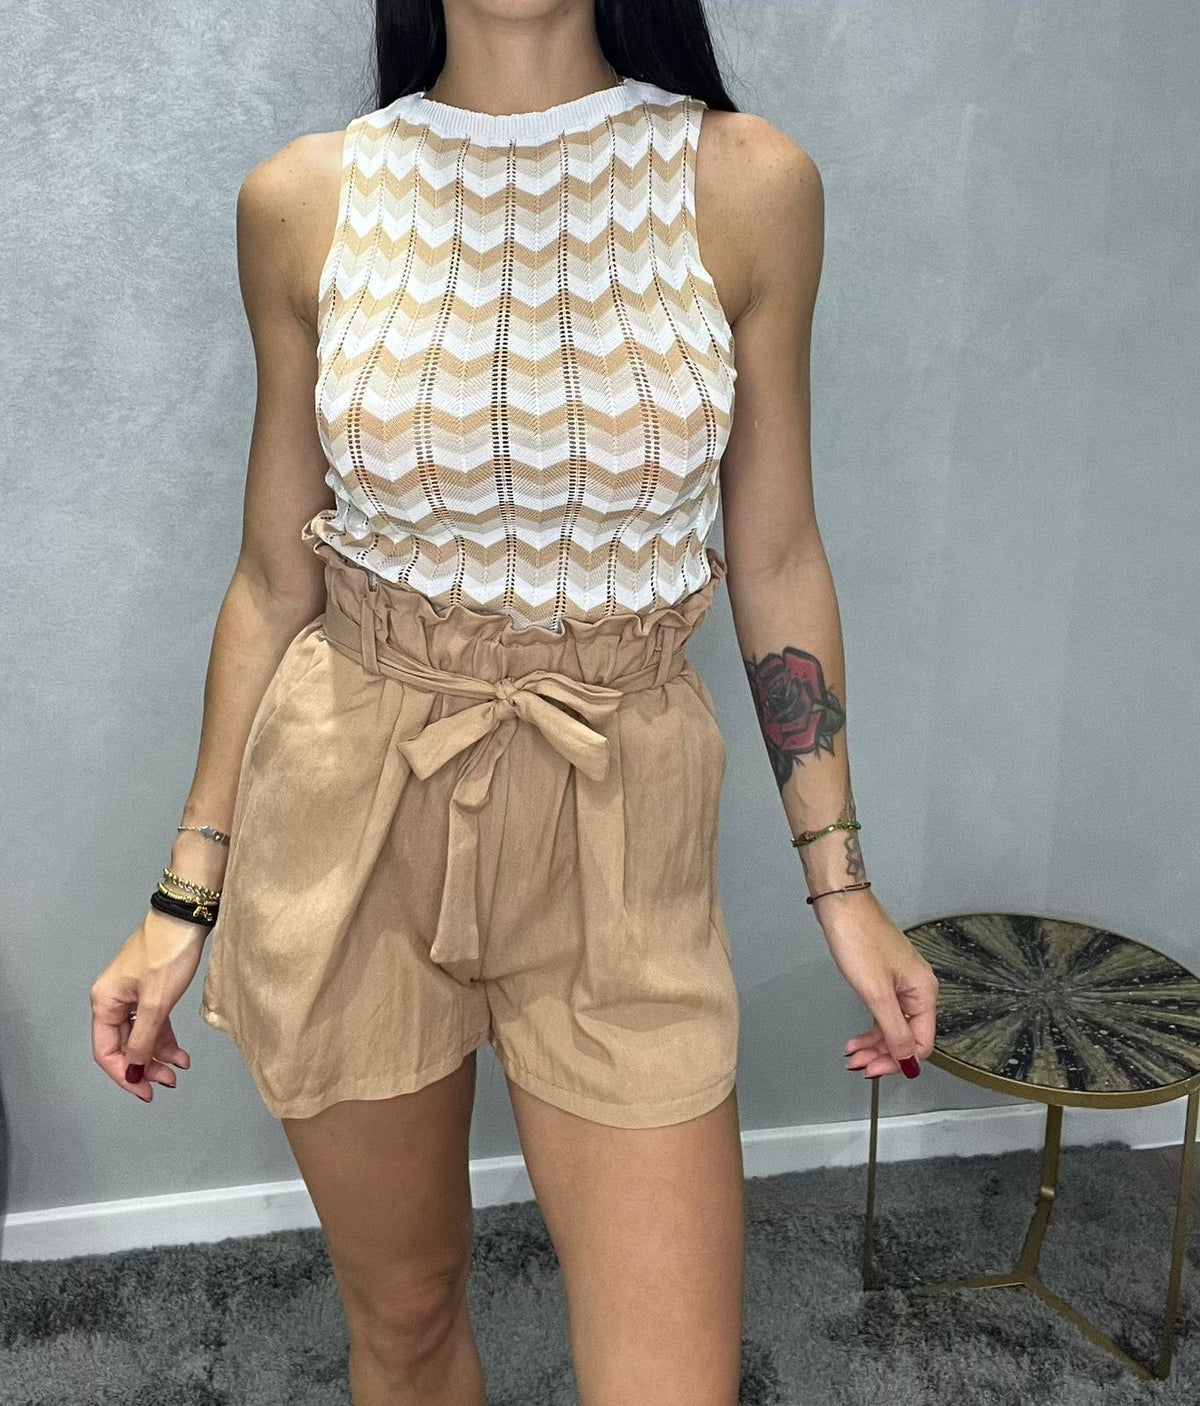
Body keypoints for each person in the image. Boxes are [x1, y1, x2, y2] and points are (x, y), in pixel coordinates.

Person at [89, 2, 938, 1402]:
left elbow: (778, 554)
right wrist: (184, 898)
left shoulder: (748, 184)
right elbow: (273, 578)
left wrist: (841, 884)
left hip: (621, 817)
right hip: (352, 802)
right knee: (407, 1319)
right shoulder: (304, 200)